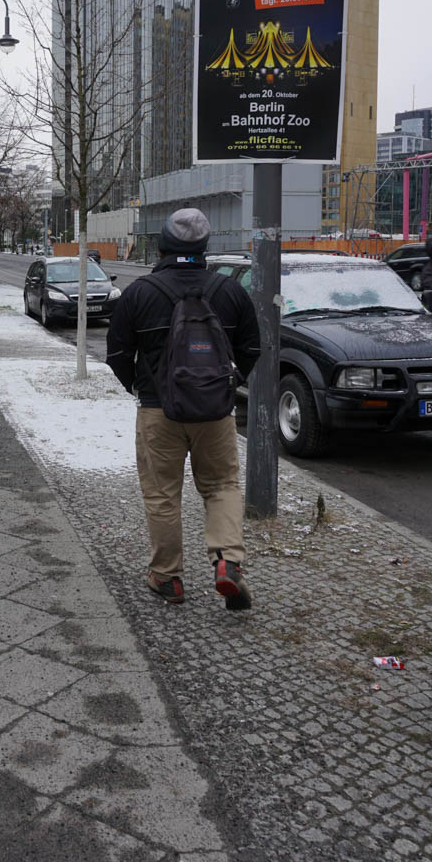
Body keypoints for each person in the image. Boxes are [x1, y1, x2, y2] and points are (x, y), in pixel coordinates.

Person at [106, 208, 260, 611]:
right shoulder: (229, 291)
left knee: (162, 495)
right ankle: (227, 562)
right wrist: (226, 385)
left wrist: (141, 389)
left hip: (159, 412)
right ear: (204, 246)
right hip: (215, 413)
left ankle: (167, 578)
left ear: (163, 245)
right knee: (222, 486)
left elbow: (118, 353)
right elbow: (252, 348)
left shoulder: (140, 292)